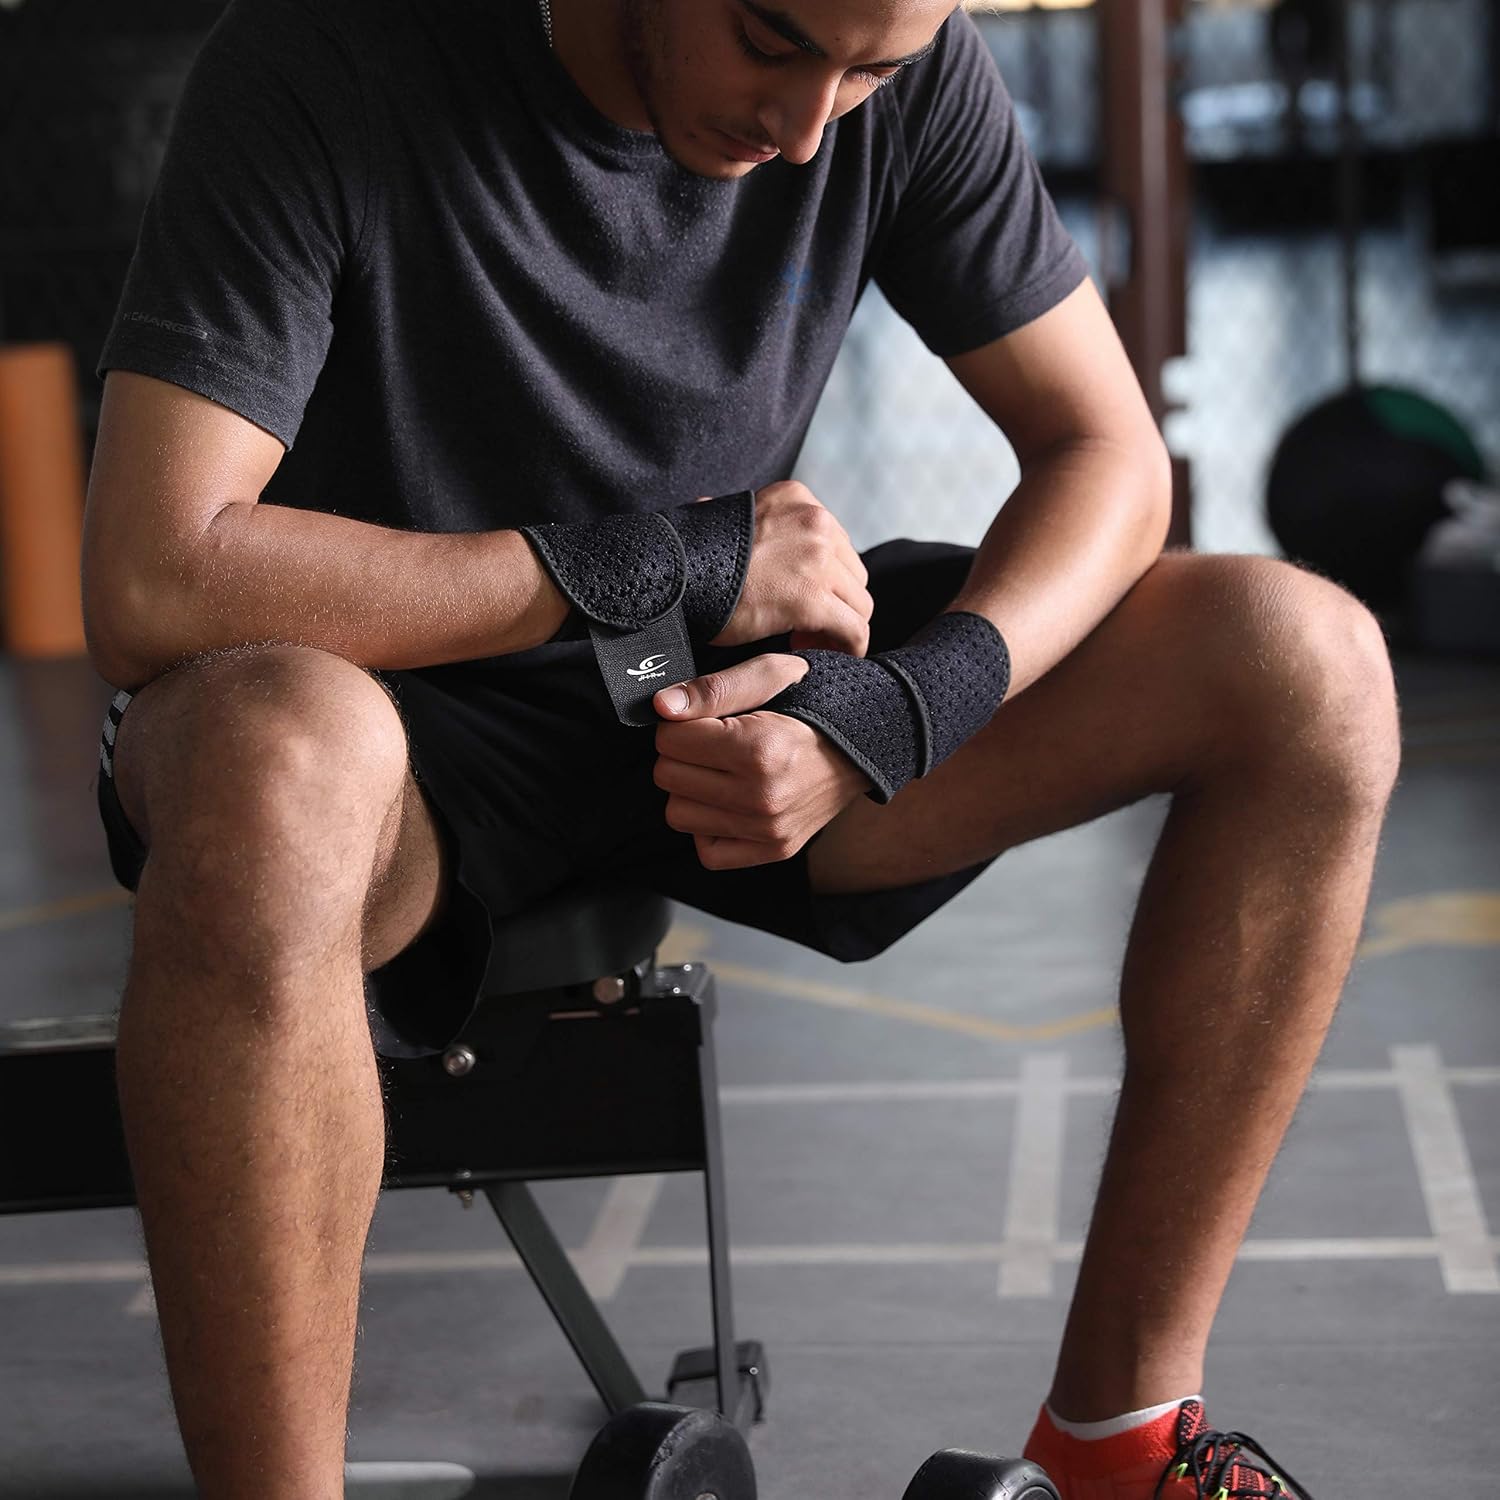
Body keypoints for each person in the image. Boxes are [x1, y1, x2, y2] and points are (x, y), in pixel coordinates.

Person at [80, 0, 1398, 1496]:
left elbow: (1103, 449)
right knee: (274, 765)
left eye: (872, 72)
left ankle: (1119, 1438)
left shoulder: (885, 74)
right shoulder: (325, 61)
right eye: (772, 42)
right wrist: (656, 564)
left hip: (721, 695)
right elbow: (154, 575)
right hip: (391, 719)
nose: (809, 123)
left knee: (1309, 664)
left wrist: (912, 707)